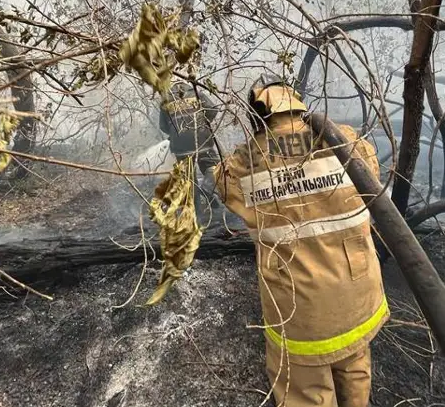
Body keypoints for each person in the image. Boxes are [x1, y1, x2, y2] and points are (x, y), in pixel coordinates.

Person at [209, 73, 388, 407]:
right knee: (354, 368)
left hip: (299, 309)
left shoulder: (245, 161)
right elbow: (371, 175)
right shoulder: (346, 140)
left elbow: (222, 182)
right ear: (297, 103)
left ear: (257, 114)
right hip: (358, 293)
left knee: (306, 392)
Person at [159, 79, 221, 209]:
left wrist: (175, 132)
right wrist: (203, 123)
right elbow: (212, 110)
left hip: (180, 146)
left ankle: (196, 214)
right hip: (202, 140)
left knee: (189, 179)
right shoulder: (196, 92)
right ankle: (207, 188)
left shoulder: (166, 99)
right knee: (214, 166)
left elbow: (163, 126)